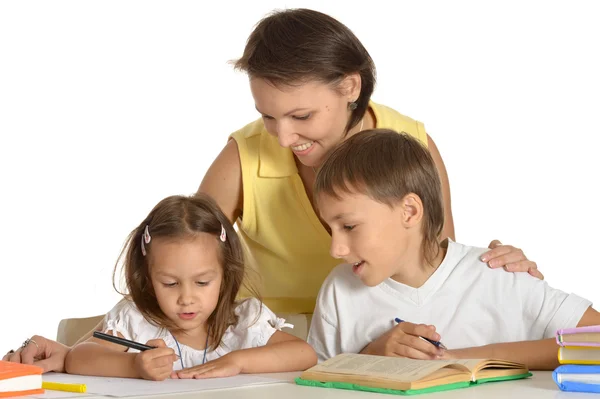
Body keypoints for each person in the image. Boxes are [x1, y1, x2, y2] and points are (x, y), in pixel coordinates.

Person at [3, 8, 539, 372]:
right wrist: (79, 348)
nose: (282, 137)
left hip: (378, 336)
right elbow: (183, 260)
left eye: (301, 115)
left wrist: (498, 268)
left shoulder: (409, 142)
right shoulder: (246, 152)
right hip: (270, 344)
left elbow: (437, 262)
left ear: (349, 86)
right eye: (267, 115)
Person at [307, 129, 600, 370]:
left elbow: (596, 340)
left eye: (349, 226)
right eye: (331, 228)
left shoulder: (498, 273)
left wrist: (459, 358)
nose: (336, 248)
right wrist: (371, 356)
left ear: (409, 211)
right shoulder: (339, 291)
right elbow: (312, 383)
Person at [63, 194, 316, 380]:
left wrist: (237, 361)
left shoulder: (242, 320)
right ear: (149, 278)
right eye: (170, 283)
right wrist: (133, 366)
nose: (186, 298)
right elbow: (78, 358)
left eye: (202, 282)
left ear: (224, 276)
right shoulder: (137, 318)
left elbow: (304, 354)